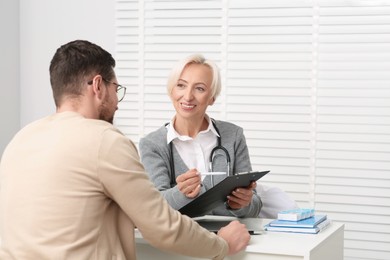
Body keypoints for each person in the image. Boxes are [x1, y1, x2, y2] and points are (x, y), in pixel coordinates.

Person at [0, 40, 250, 260]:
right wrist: (222, 246)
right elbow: (161, 226)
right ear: (98, 86)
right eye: (115, 88)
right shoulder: (105, 141)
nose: (117, 103)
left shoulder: (21, 139)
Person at [139, 54, 262, 217]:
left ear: (212, 98)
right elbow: (154, 207)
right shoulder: (153, 144)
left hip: (232, 235)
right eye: (181, 85)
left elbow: (255, 204)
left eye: (200, 88)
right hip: (185, 239)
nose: (188, 96)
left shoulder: (233, 136)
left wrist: (243, 204)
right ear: (171, 91)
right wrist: (181, 193)